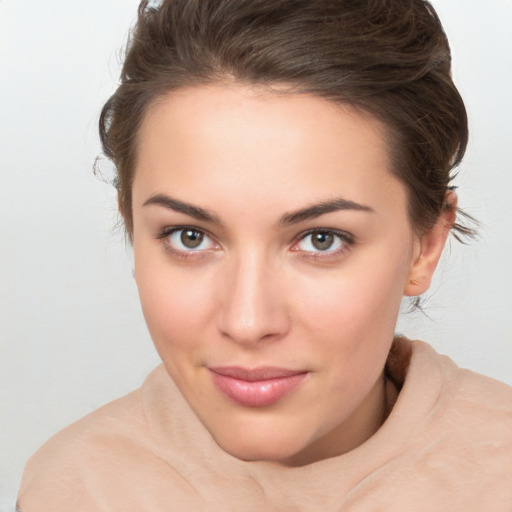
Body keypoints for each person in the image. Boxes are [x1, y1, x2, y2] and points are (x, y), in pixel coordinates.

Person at [17, 0, 512, 510]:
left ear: (424, 246)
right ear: (133, 230)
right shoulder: (75, 487)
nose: (248, 322)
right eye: (189, 236)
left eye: (322, 239)